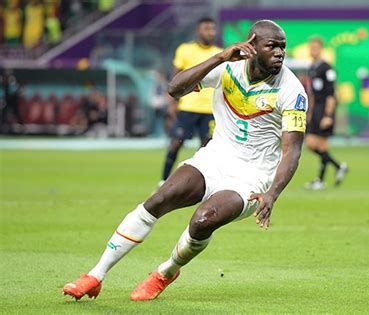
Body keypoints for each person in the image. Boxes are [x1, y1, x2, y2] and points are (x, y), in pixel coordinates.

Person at [63, 19, 308, 301]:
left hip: (253, 177)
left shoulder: (292, 91)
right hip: (215, 158)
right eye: (272, 46)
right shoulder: (228, 68)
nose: (279, 53)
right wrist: (218, 57)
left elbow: (292, 151)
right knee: (158, 200)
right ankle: (95, 275)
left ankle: (166, 272)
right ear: (251, 45)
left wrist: (272, 194)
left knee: (203, 220)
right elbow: (175, 89)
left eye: (283, 48)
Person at [159, 17, 222, 187]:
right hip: (187, 106)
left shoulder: (219, 53)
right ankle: (163, 181)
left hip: (210, 110)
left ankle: (205, 184)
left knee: (207, 149)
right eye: (207, 29)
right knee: (175, 143)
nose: (211, 32)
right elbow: (176, 77)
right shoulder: (185, 49)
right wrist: (173, 103)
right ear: (198, 31)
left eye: (213, 29)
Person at [304, 37, 347, 190]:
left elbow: (331, 94)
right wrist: (309, 113)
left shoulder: (327, 68)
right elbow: (311, 94)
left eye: (315, 47)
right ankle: (337, 168)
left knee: (316, 144)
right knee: (317, 146)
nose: (312, 50)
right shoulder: (312, 68)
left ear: (321, 49)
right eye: (311, 47)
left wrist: (328, 115)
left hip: (325, 110)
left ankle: (322, 179)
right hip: (315, 109)